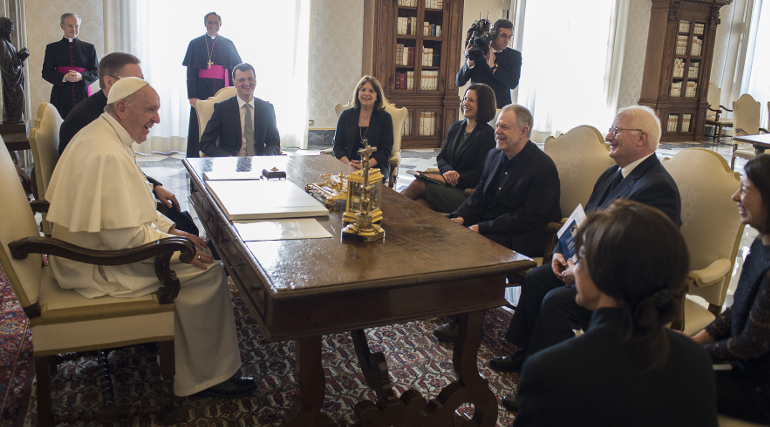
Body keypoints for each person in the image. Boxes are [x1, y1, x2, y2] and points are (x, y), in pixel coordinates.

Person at [45, 77, 255, 398]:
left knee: (194, 249)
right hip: (98, 266)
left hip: (89, 251)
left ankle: (184, 348)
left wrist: (171, 230)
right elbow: (124, 239)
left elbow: (134, 206)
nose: (157, 119)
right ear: (122, 107)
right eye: (151, 110)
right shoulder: (108, 153)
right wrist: (177, 248)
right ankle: (207, 378)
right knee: (208, 270)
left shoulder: (105, 136)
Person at [490, 105, 681, 372]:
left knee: (555, 302)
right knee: (536, 278)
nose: (608, 136)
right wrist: (559, 250)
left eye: (616, 130)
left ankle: (555, 374)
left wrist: (583, 271)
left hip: (619, 286)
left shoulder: (656, 187)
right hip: (585, 264)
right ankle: (526, 354)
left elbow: (636, 254)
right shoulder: (612, 174)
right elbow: (582, 222)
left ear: (642, 138)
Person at [510, 200, 717, 426]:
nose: (574, 266)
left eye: (581, 256)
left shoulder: (549, 370)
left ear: (603, 274)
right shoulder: (696, 357)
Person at [433, 104, 561, 342]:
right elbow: (480, 195)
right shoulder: (494, 155)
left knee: (474, 245)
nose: (497, 131)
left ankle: (465, 322)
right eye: (497, 125)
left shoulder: (542, 167)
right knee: (451, 230)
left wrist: (482, 228)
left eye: (505, 126)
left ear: (524, 132)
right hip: (496, 224)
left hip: (528, 234)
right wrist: (459, 217)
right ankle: (449, 303)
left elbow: (528, 217)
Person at [57, 52, 198, 236]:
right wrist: (169, 235)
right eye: (134, 80)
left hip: (125, 215)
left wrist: (153, 186)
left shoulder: (109, 118)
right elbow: (114, 226)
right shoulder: (86, 120)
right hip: (101, 228)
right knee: (185, 229)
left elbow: (125, 166)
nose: (156, 119)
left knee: (183, 222)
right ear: (109, 82)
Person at [686, 154, 770, 424]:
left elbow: (750, 345)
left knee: (665, 379)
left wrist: (689, 351)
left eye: (745, 190)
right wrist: (696, 340)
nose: (735, 196)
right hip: (744, 370)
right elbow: (739, 309)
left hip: (760, 388)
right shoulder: (761, 244)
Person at [400, 83, 496, 212]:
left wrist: (448, 179)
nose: (465, 103)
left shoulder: (488, 135)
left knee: (418, 185)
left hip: (467, 193)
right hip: (447, 187)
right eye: (465, 98)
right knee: (419, 205)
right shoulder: (456, 127)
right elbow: (442, 156)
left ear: (484, 105)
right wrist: (447, 171)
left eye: (471, 100)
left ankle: (384, 216)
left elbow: (480, 174)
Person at [183, 11, 242, 157]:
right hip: (202, 88)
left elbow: (235, 69)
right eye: (210, 22)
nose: (213, 25)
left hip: (223, 88)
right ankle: (195, 155)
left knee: (223, 121)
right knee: (199, 121)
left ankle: (222, 153)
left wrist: (233, 91)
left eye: (216, 23)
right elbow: (191, 73)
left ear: (220, 25)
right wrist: (192, 96)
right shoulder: (195, 43)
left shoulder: (228, 44)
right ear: (205, 24)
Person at [199, 63, 280, 157]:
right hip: (230, 164)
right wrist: (226, 157)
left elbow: (274, 142)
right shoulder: (222, 109)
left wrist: (266, 156)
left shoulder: (267, 109)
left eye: (250, 78)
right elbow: (205, 143)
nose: (247, 83)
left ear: (255, 80)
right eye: (241, 80)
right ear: (234, 82)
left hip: (259, 164)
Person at [332, 76, 393, 180]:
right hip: (348, 164)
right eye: (363, 89)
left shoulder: (385, 118)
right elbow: (338, 146)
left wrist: (365, 165)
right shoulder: (345, 115)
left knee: (366, 184)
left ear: (377, 96)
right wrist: (349, 164)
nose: (366, 94)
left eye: (371, 91)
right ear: (357, 93)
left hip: (375, 167)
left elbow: (385, 151)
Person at [42, 13, 98, 119]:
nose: (74, 29)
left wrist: (81, 76)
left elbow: (96, 72)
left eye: (76, 26)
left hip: (82, 92)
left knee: (83, 122)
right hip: (61, 94)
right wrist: (63, 77)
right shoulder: (52, 48)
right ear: (62, 26)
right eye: (70, 26)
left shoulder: (89, 48)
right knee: (60, 122)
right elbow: (46, 72)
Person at [455, 18, 521, 109]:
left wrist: (494, 67)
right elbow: (459, 82)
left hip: (499, 109)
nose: (507, 40)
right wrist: (469, 62)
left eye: (510, 36)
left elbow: (513, 83)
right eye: (503, 35)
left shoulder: (514, 56)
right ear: (494, 34)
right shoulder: (478, 51)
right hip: (476, 108)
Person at [0, 17, 29, 124]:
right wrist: (20, 58)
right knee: (16, 99)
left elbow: (12, 59)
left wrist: (20, 55)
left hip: (16, 79)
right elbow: (6, 65)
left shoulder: (7, 43)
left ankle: (16, 119)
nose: (12, 30)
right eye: (10, 28)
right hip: (11, 81)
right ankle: (13, 120)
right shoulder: (2, 43)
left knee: (19, 99)